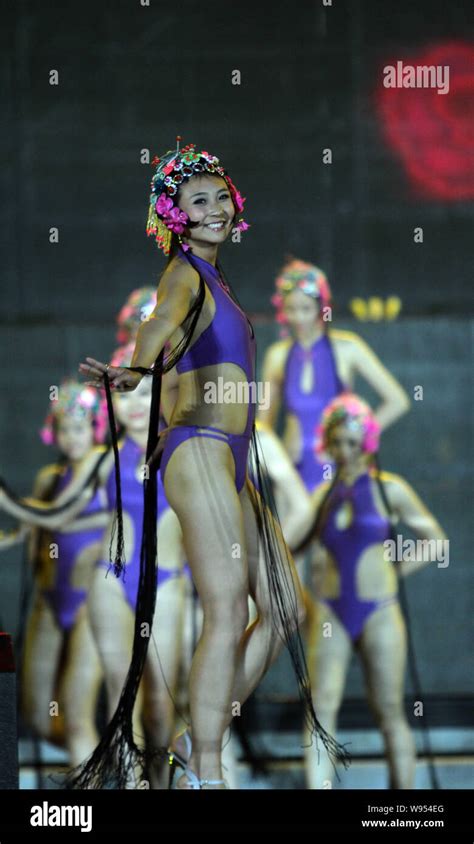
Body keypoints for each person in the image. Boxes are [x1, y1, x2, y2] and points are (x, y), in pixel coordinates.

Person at [78, 140, 347, 789]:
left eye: (223, 196)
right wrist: (136, 370)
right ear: (177, 216)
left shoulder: (218, 278)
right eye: (201, 200)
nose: (218, 208)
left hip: (231, 459)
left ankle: (188, 742)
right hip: (196, 444)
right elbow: (160, 321)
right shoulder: (185, 272)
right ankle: (204, 768)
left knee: (285, 609)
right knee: (227, 607)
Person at [290, 394, 447, 789]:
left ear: (369, 443)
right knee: (322, 704)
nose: (347, 452)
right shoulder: (322, 495)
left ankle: (402, 803)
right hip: (331, 611)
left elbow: (435, 539)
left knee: (390, 709)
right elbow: (290, 546)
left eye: (354, 443)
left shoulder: (388, 490)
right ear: (329, 443)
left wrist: (397, 571)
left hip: (379, 608)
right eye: (339, 443)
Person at [0, 380, 108, 765]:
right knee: (37, 714)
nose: (71, 437)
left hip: (89, 605)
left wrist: (9, 501)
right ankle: (100, 755)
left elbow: (60, 513)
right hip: (49, 601)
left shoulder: (103, 465)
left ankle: (91, 764)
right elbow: (26, 532)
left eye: (79, 428)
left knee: (77, 715)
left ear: (94, 428)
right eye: (64, 428)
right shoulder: (48, 478)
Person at [259, 259, 410, 493]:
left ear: (321, 307)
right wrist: (276, 465)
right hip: (293, 471)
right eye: (291, 309)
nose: (298, 318)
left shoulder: (349, 348)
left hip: (340, 465)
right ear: (281, 309)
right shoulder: (277, 356)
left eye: (306, 309)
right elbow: (263, 424)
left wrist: (355, 439)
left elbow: (397, 401)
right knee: (292, 528)